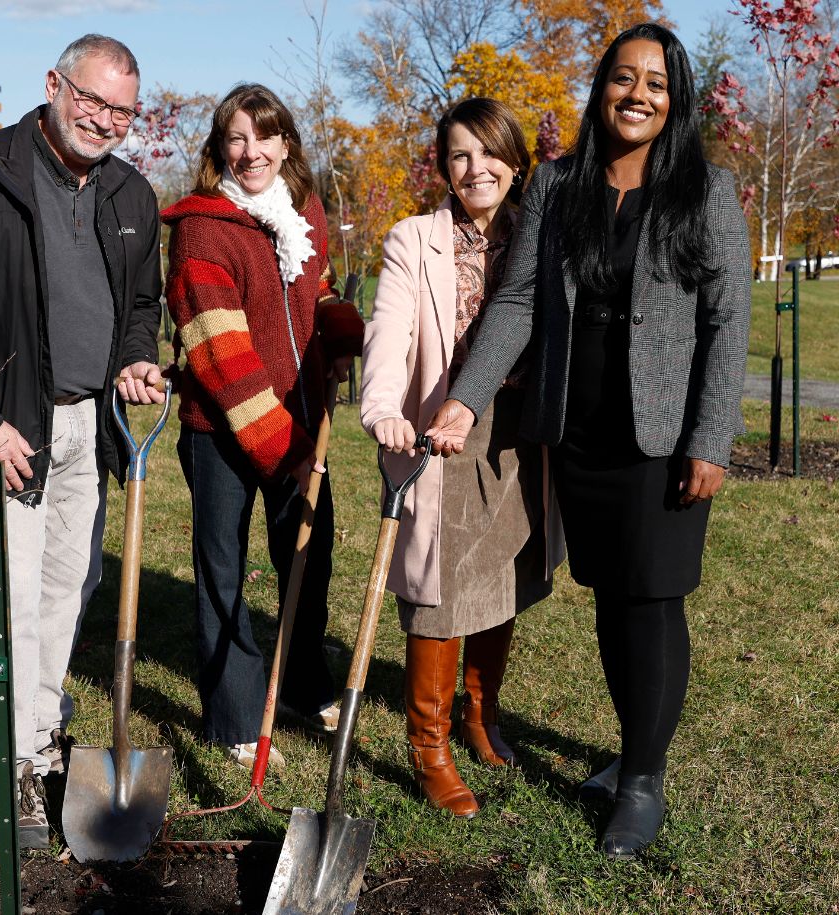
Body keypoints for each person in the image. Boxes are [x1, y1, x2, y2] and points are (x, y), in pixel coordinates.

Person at [426, 23, 751, 857]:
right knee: (611, 593)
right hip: (579, 428)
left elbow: (727, 319)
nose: (636, 94)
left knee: (653, 598)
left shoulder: (705, 190)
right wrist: (464, 400)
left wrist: (710, 437)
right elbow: (518, 302)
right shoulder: (559, 185)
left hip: (664, 433)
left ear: (673, 98)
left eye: (655, 82)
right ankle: (633, 750)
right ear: (600, 89)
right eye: (622, 78)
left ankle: (642, 778)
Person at [0, 33, 166, 849]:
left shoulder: (129, 194)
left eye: (123, 109)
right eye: (93, 100)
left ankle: (42, 731)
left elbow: (141, 302)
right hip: (10, 422)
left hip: (90, 424)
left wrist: (135, 359)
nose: (106, 120)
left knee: (69, 586)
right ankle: (8, 759)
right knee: (8, 595)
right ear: (53, 84)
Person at [359, 98, 560, 818]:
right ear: (443, 167)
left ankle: (481, 714)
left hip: (523, 430)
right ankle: (429, 745)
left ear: (516, 157)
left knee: (503, 577)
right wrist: (382, 407)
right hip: (441, 432)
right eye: (458, 156)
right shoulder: (414, 239)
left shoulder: (544, 234)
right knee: (438, 594)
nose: (475, 169)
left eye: (488, 152)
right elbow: (389, 331)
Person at [162, 83, 364, 769]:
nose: (252, 152)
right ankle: (234, 715)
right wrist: (286, 448)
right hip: (222, 429)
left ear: (286, 143)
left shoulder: (302, 209)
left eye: (265, 136)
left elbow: (322, 286)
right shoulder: (200, 227)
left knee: (308, 560)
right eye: (237, 139)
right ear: (220, 147)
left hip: (304, 421)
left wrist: (340, 330)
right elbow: (220, 356)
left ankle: (305, 684)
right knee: (222, 572)